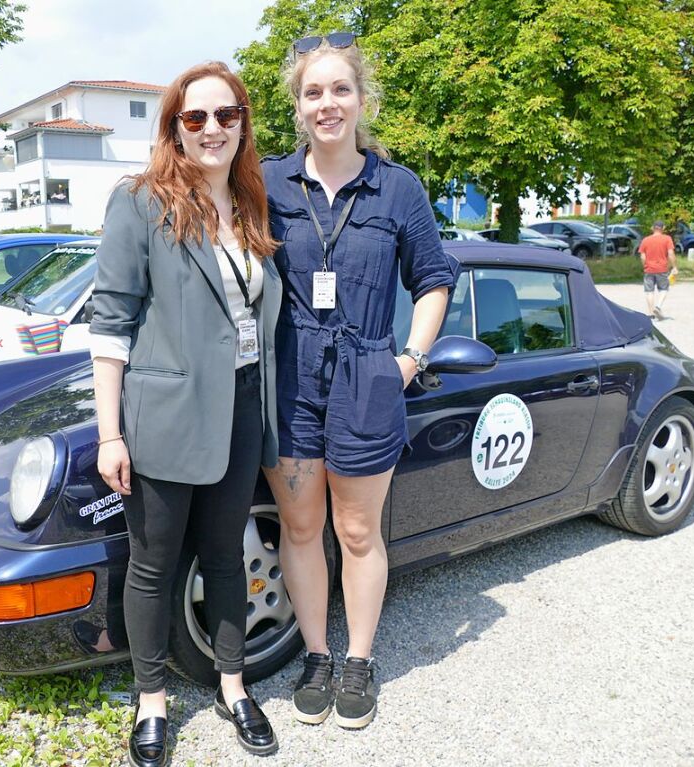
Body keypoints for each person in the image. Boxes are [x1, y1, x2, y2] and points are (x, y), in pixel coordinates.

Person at [89, 61, 281, 766]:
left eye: (225, 116)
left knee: (226, 554)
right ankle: (150, 700)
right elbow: (110, 323)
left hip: (238, 406)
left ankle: (233, 685)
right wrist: (110, 431)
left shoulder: (251, 201)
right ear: (173, 126)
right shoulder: (140, 203)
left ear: (241, 123)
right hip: (164, 413)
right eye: (194, 117)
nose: (211, 129)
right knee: (153, 563)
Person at [261, 32, 454, 730]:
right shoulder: (269, 180)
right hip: (288, 381)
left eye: (339, 89)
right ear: (298, 104)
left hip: (367, 375)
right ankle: (316, 652)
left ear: (361, 98)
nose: (327, 103)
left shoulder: (397, 187)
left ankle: (359, 657)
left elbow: (433, 278)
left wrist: (407, 360)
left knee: (357, 528)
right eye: (313, 92)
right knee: (302, 522)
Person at [638, 220, 678, 319]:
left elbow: (642, 256)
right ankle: (658, 306)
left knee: (649, 291)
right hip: (662, 269)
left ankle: (651, 313)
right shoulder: (667, 239)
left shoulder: (645, 240)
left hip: (649, 269)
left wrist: (645, 266)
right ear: (663, 228)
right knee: (664, 289)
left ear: (653, 228)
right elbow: (671, 254)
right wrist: (674, 267)